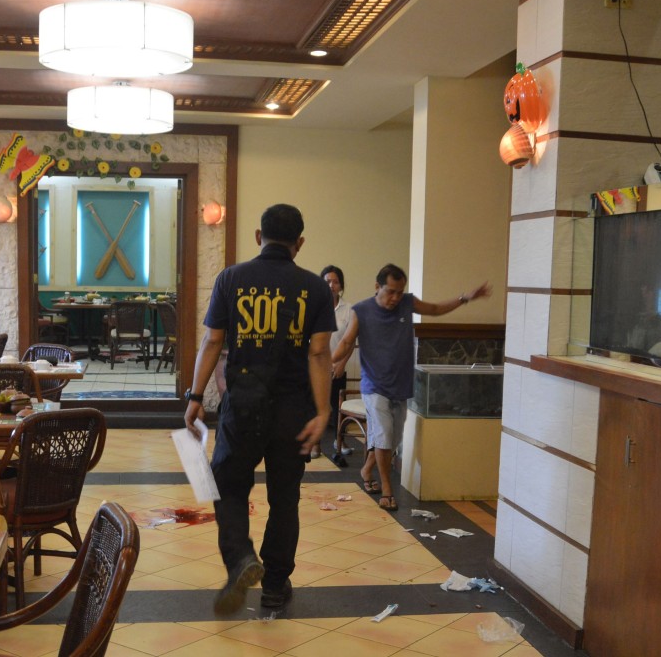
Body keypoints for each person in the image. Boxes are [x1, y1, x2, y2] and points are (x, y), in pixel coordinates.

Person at [184, 203, 335, 615]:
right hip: (294, 411)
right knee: (285, 497)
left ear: (258, 236)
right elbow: (320, 353)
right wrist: (323, 412)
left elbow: (213, 341)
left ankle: (241, 559)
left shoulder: (231, 278)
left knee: (229, 487)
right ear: (298, 243)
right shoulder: (316, 288)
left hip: (243, 407)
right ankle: (274, 585)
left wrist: (196, 398)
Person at [332, 263, 490, 511]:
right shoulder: (361, 310)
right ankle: (387, 490)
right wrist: (323, 360)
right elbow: (346, 342)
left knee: (392, 439)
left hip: (400, 385)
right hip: (374, 385)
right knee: (383, 435)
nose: (396, 297)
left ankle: (367, 468)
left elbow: (436, 309)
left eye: (400, 291)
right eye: (390, 291)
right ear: (377, 287)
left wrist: (464, 298)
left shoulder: (407, 303)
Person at [312, 264, 354, 460]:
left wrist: (341, 364)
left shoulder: (349, 310)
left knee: (338, 407)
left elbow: (350, 341)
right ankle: (315, 444)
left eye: (335, 281)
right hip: (316, 367)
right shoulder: (314, 307)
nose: (331, 285)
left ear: (341, 285)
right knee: (314, 405)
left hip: (337, 367)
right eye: (327, 281)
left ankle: (340, 440)